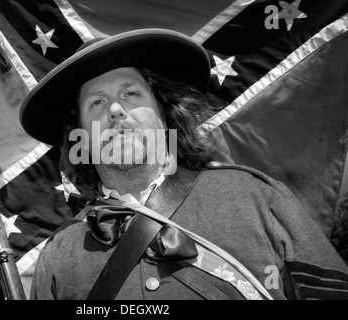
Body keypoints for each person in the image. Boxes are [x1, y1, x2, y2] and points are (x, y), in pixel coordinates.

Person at [20, 29, 348, 300]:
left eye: (131, 94)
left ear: (164, 114)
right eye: (97, 102)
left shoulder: (257, 198)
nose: (116, 110)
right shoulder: (60, 254)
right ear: (81, 136)